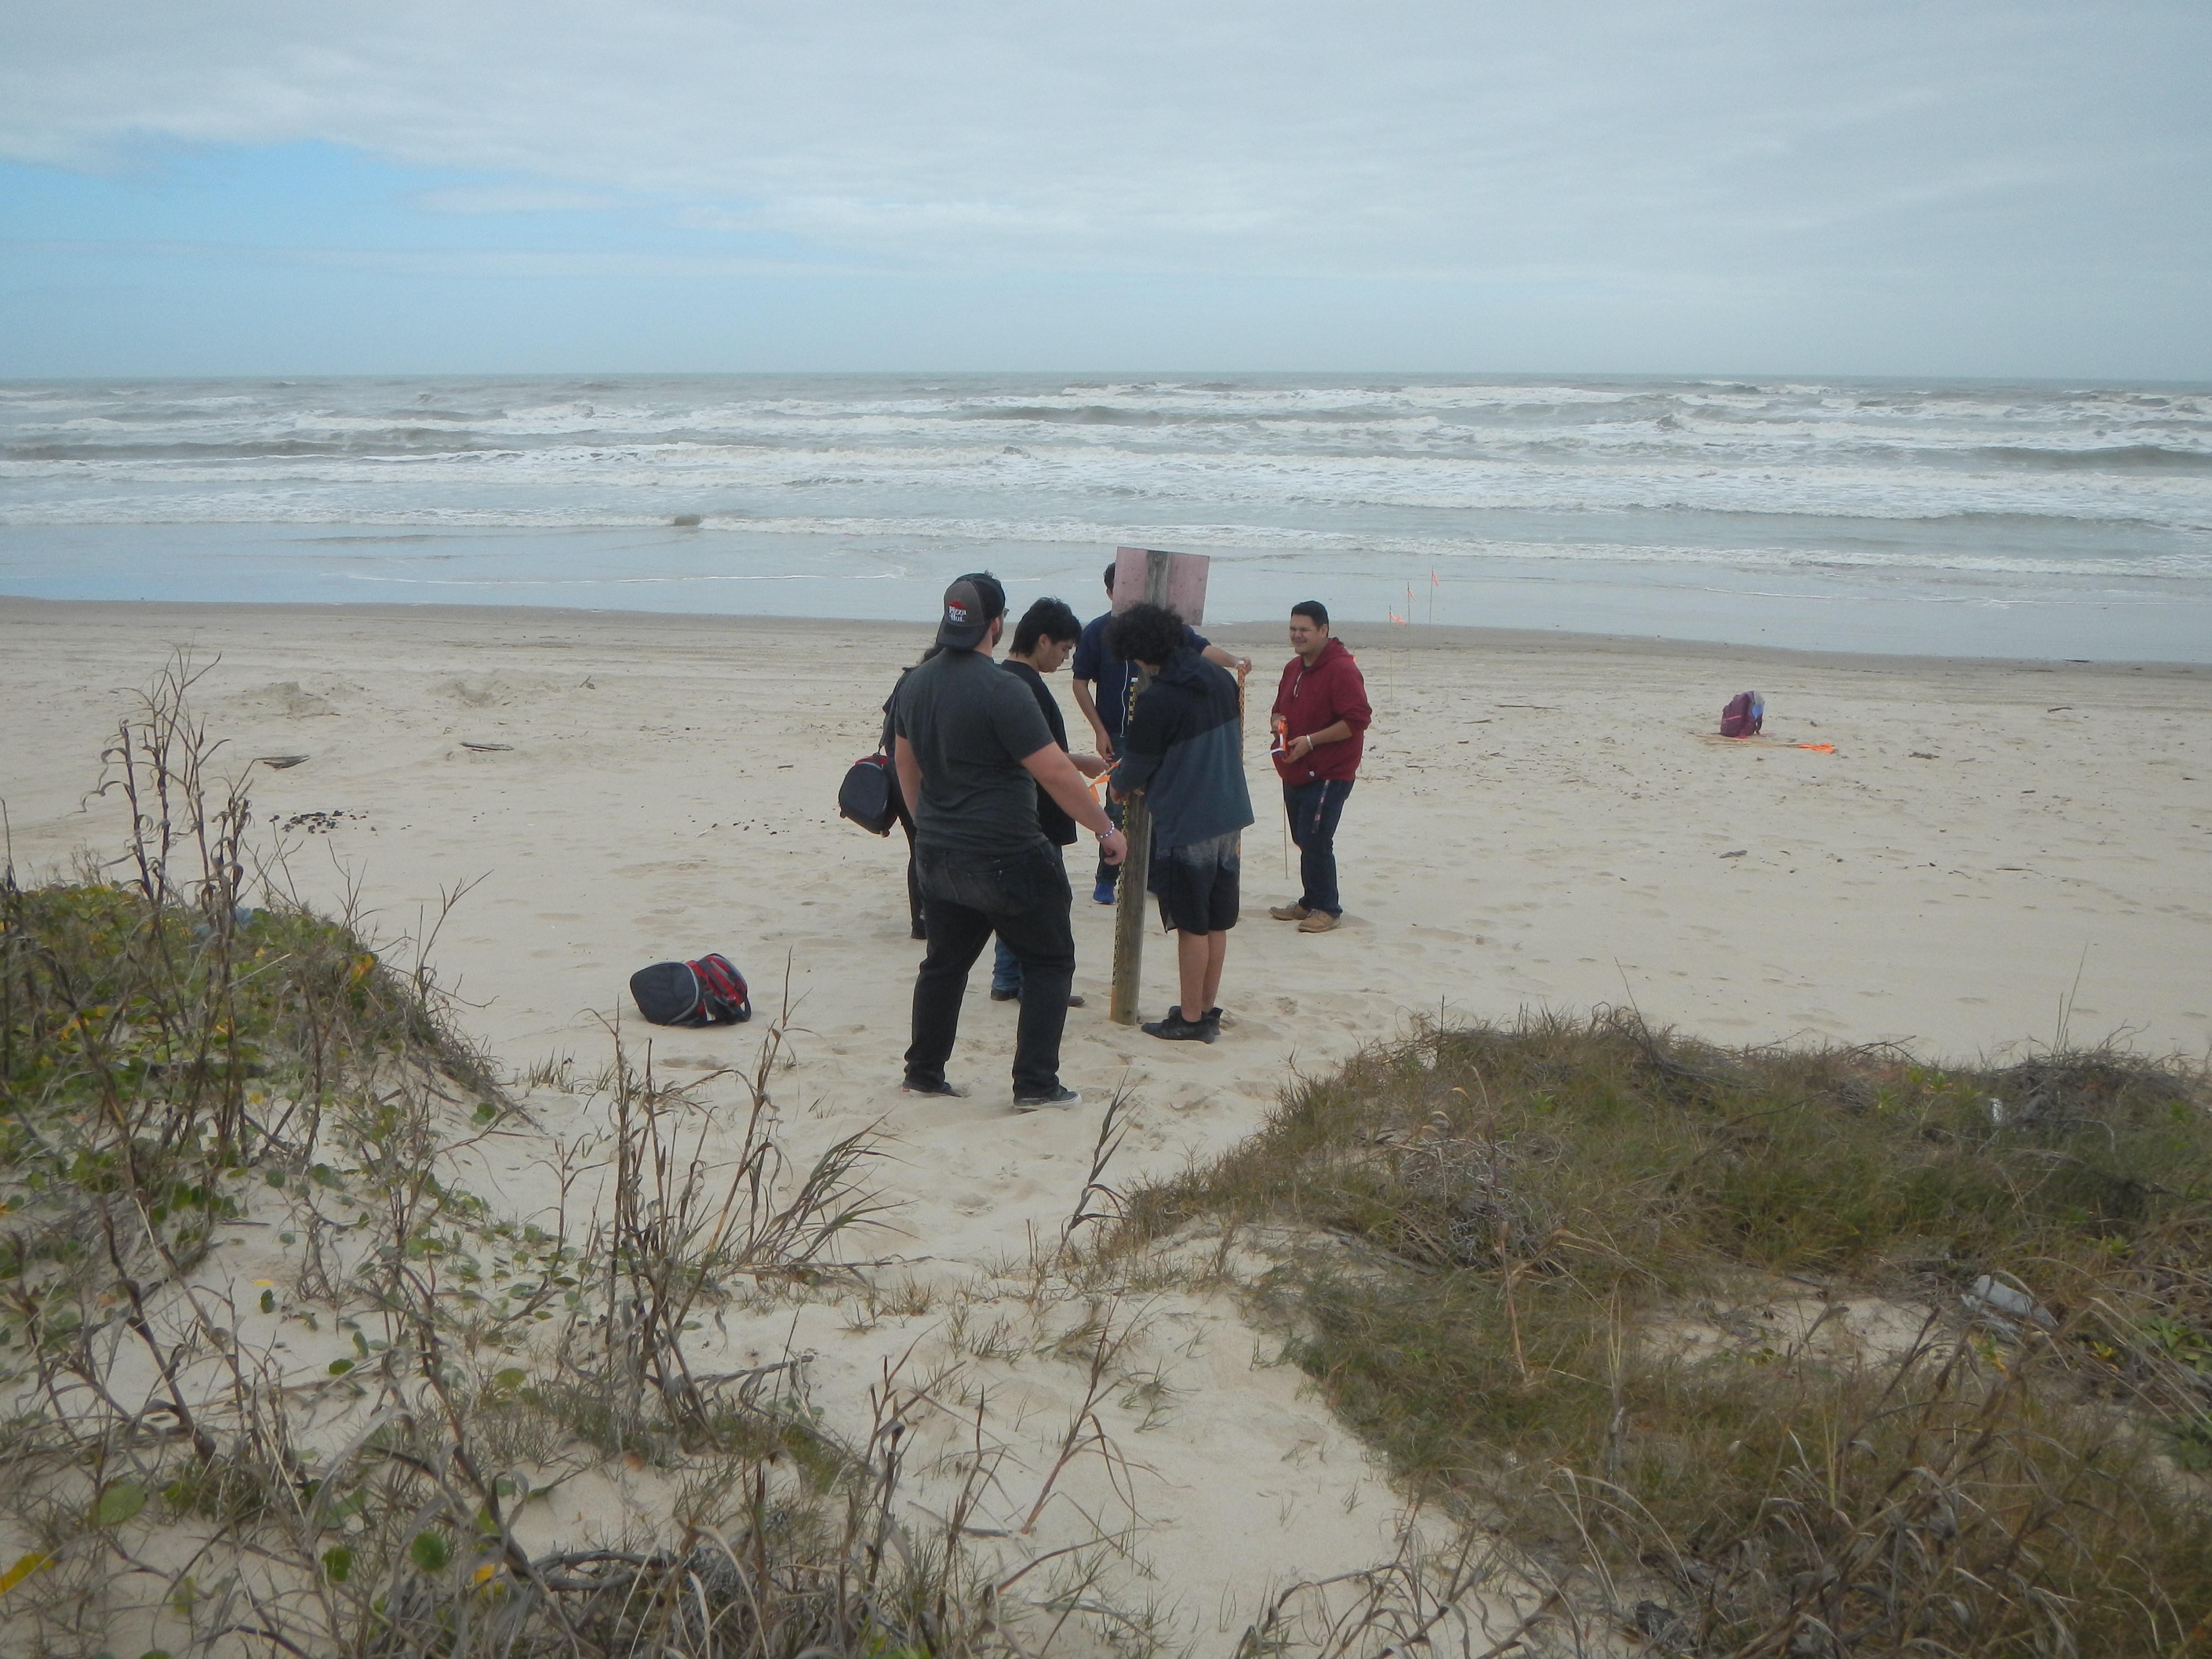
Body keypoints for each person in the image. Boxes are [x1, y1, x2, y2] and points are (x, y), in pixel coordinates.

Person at [893, 573, 1128, 1109]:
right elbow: (1052, 774)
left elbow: (907, 765)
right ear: (997, 624)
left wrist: (927, 825)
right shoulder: (1004, 687)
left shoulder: (916, 682)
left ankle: (923, 1073)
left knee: (944, 965)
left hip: (940, 853)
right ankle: (1036, 1085)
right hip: (1007, 854)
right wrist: (1107, 830)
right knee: (1049, 962)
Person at [1108, 601, 1254, 1044]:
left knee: (1191, 922)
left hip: (1189, 816)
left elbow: (1138, 766)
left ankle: (1191, 1019)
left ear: (1140, 652)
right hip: (1229, 809)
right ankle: (1206, 1008)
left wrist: (1119, 787)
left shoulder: (1159, 699)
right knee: (1216, 919)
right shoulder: (1219, 679)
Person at [1071, 561, 1251, 906]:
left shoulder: (1166, 632)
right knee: (1117, 809)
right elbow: (1080, 683)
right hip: (1118, 732)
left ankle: (1154, 875)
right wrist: (1099, 730)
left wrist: (1234, 662)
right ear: (1109, 593)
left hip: (1162, 732)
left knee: (1155, 803)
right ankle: (1108, 877)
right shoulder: (1095, 632)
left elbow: (1202, 648)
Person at [990, 597, 1109, 1004]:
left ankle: (1007, 978)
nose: (1065, 658)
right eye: (1064, 649)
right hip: (1035, 813)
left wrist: (1075, 760)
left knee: (1016, 902)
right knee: (1047, 903)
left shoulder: (1001, 679)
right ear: (1043, 641)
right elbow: (1041, 760)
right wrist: (1081, 765)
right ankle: (1028, 983)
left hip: (1012, 812)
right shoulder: (1025, 687)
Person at [1267, 599, 1371, 933]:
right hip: (1294, 764)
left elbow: (1357, 720)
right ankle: (1310, 900)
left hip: (1330, 769)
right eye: (1293, 629)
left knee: (1316, 837)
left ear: (1324, 631)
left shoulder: (1342, 669)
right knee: (1303, 836)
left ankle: (1328, 908)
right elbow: (1277, 710)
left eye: (1305, 630)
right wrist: (1277, 724)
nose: (1297, 636)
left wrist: (1311, 741)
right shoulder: (1293, 668)